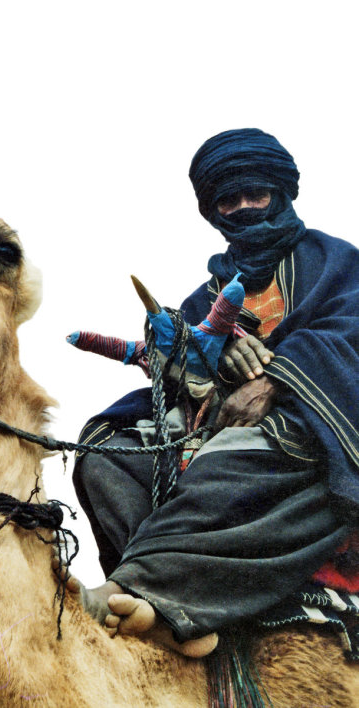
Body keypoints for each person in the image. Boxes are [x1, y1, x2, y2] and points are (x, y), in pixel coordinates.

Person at [65, 128, 359, 658]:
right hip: (212, 423)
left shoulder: (338, 264)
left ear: (282, 192)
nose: (245, 207)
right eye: (230, 199)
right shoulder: (203, 296)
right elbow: (180, 368)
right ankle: (191, 611)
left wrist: (279, 377)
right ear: (213, 209)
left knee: (229, 459)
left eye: (257, 195)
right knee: (105, 453)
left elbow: (349, 336)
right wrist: (214, 363)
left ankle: (150, 592)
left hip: (316, 426)